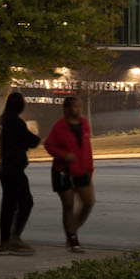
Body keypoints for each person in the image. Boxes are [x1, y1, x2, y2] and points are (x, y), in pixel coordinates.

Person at [44, 96, 96, 253]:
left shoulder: (85, 124)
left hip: (82, 171)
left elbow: (87, 148)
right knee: (68, 206)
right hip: (63, 172)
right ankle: (72, 238)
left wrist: (90, 168)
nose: (77, 110)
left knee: (89, 202)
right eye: (73, 107)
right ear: (66, 109)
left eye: (79, 107)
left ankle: (72, 229)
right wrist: (63, 155)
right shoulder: (60, 126)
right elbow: (49, 145)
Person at [0, 92, 41, 256]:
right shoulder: (16, 122)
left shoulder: (6, 121)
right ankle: (15, 238)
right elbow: (32, 141)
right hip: (15, 169)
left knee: (8, 205)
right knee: (26, 202)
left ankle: (4, 243)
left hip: (6, 168)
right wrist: (34, 135)